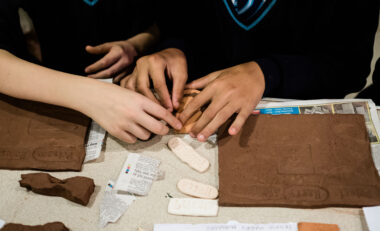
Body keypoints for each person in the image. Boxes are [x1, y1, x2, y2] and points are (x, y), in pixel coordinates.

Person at [123, 0, 379, 142]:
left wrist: (267, 72)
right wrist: (173, 50)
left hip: (296, 116)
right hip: (199, 107)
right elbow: (179, 24)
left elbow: (348, 68)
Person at [0, 0, 182, 144]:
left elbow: (174, 19)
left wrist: (137, 44)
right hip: (46, 89)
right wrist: (89, 94)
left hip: (138, 81)